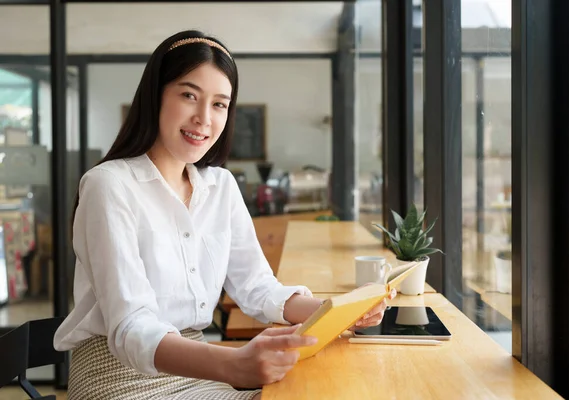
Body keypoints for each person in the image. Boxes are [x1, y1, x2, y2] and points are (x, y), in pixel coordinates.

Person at [53, 30, 394, 400]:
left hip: (198, 371)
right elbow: (131, 326)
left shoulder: (221, 186)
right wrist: (233, 364)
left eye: (219, 104)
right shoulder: (109, 185)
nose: (203, 118)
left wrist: (339, 312)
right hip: (119, 378)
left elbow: (257, 287)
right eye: (189, 95)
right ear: (155, 96)